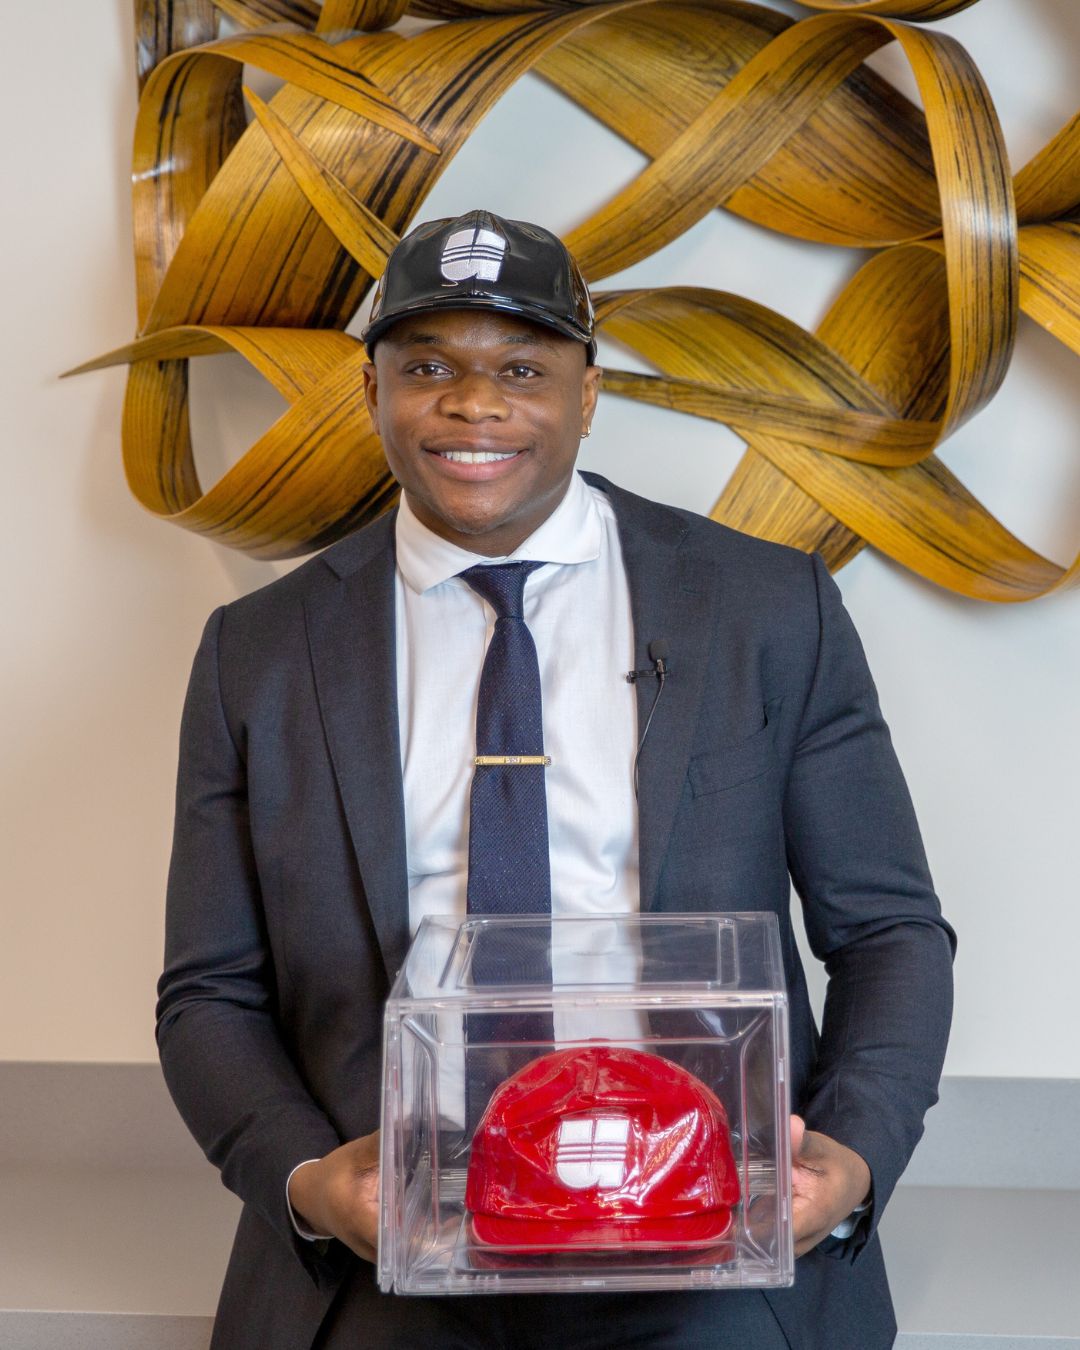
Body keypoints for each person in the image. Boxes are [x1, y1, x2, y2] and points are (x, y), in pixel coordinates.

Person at [157, 209, 955, 1350]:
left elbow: (890, 930)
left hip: (708, 1243)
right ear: (370, 388)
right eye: (427, 366)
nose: (473, 405)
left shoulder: (766, 608)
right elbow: (209, 995)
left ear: (587, 392)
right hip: (386, 1267)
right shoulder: (260, 651)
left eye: (521, 369)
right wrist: (310, 1184)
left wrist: (851, 1153)